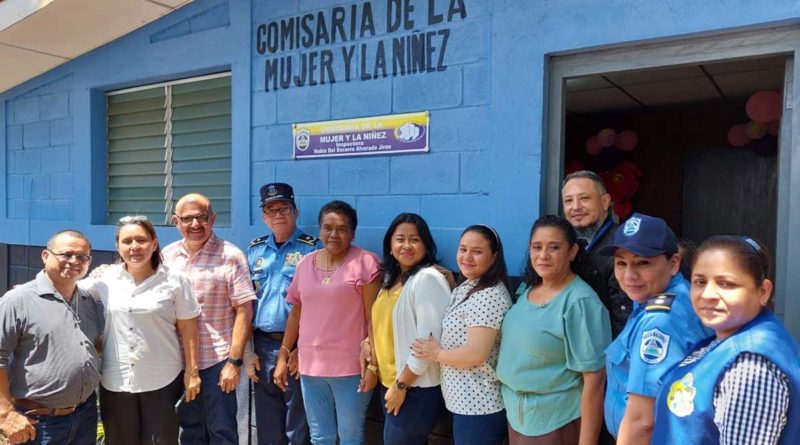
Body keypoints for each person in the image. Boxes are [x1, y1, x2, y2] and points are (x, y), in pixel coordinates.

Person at [652, 235, 800, 444]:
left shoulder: (751, 366)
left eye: (727, 284)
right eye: (700, 282)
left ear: (763, 291)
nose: (708, 294)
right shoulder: (726, 340)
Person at [81, 216, 201, 445]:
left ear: (154, 244)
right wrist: (30, 291)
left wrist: (192, 372)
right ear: (118, 246)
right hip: (116, 380)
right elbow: (67, 291)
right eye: (127, 241)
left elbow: (188, 327)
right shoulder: (105, 278)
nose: (134, 246)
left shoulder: (174, 280)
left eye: (141, 240)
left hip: (163, 380)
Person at [598, 213, 712, 445]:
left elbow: (642, 422)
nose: (630, 275)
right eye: (621, 263)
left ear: (673, 263)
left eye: (643, 262)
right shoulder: (655, 299)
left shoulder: (660, 321)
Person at [274, 200, 381, 445]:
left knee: (350, 437)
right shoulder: (305, 263)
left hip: (352, 369)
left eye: (342, 228)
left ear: (353, 233)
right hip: (311, 368)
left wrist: (374, 366)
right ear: (320, 230)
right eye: (328, 227)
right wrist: (284, 355)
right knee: (320, 436)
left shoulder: (365, 263)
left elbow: (373, 316)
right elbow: (297, 313)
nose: (334, 234)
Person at [496, 215, 611, 445]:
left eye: (554, 247)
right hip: (517, 417)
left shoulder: (580, 302)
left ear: (572, 252)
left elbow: (595, 380)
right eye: (537, 247)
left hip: (556, 421)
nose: (543, 255)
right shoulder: (529, 287)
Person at [162, 193, 256, 445]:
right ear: (176, 222)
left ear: (212, 218)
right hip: (177, 360)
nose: (195, 224)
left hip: (217, 361)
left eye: (202, 217)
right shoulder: (166, 256)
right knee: (189, 432)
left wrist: (233, 362)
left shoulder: (231, 255)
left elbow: (244, 310)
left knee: (222, 432)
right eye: (187, 219)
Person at [0, 230, 103, 445]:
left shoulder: (88, 301)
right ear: (46, 256)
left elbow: (91, 346)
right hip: (40, 422)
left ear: (89, 262)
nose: (74, 261)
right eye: (65, 254)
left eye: (82, 257)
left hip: (85, 416)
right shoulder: (18, 301)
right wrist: (5, 413)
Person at [412, 225, 512, 445]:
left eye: (477, 251)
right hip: (464, 403)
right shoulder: (467, 286)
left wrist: (436, 353)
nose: (467, 257)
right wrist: (453, 284)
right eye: (463, 249)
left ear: (494, 257)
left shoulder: (489, 295)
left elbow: (475, 354)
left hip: (479, 406)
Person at [365, 213, 451, 445]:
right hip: (390, 382)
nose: (406, 245)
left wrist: (402, 385)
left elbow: (427, 342)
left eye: (415, 239)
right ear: (390, 245)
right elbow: (381, 323)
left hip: (414, 387)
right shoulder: (391, 280)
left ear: (426, 244)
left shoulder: (427, 279)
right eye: (400, 239)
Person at [246, 183, 318, 445]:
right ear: (264, 216)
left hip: (298, 348)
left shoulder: (312, 249)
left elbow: (317, 306)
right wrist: (247, 350)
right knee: (267, 424)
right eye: (271, 209)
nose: (278, 214)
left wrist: (301, 348)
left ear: (295, 212)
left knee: (297, 425)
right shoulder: (254, 250)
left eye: (284, 208)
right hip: (262, 345)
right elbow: (245, 303)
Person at [562, 170, 629, 337]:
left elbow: (624, 319)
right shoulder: (564, 245)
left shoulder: (623, 246)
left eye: (584, 198)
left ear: (605, 202)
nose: (575, 207)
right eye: (568, 200)